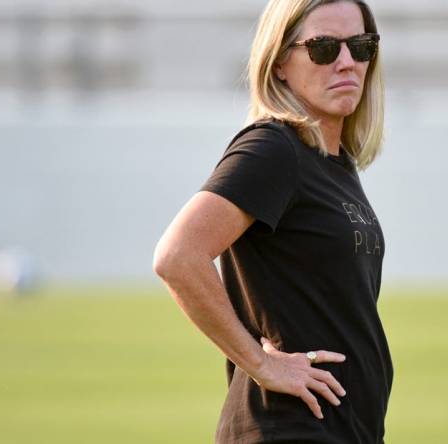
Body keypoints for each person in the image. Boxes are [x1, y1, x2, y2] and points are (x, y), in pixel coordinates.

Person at [153, 1, 392, 442]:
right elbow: (177, 256)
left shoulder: (333, 162)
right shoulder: (273, 148)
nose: (347, 62)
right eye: (323, 48)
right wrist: (262, 364)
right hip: (289, 428)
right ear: (280, 62)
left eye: (360, 46)